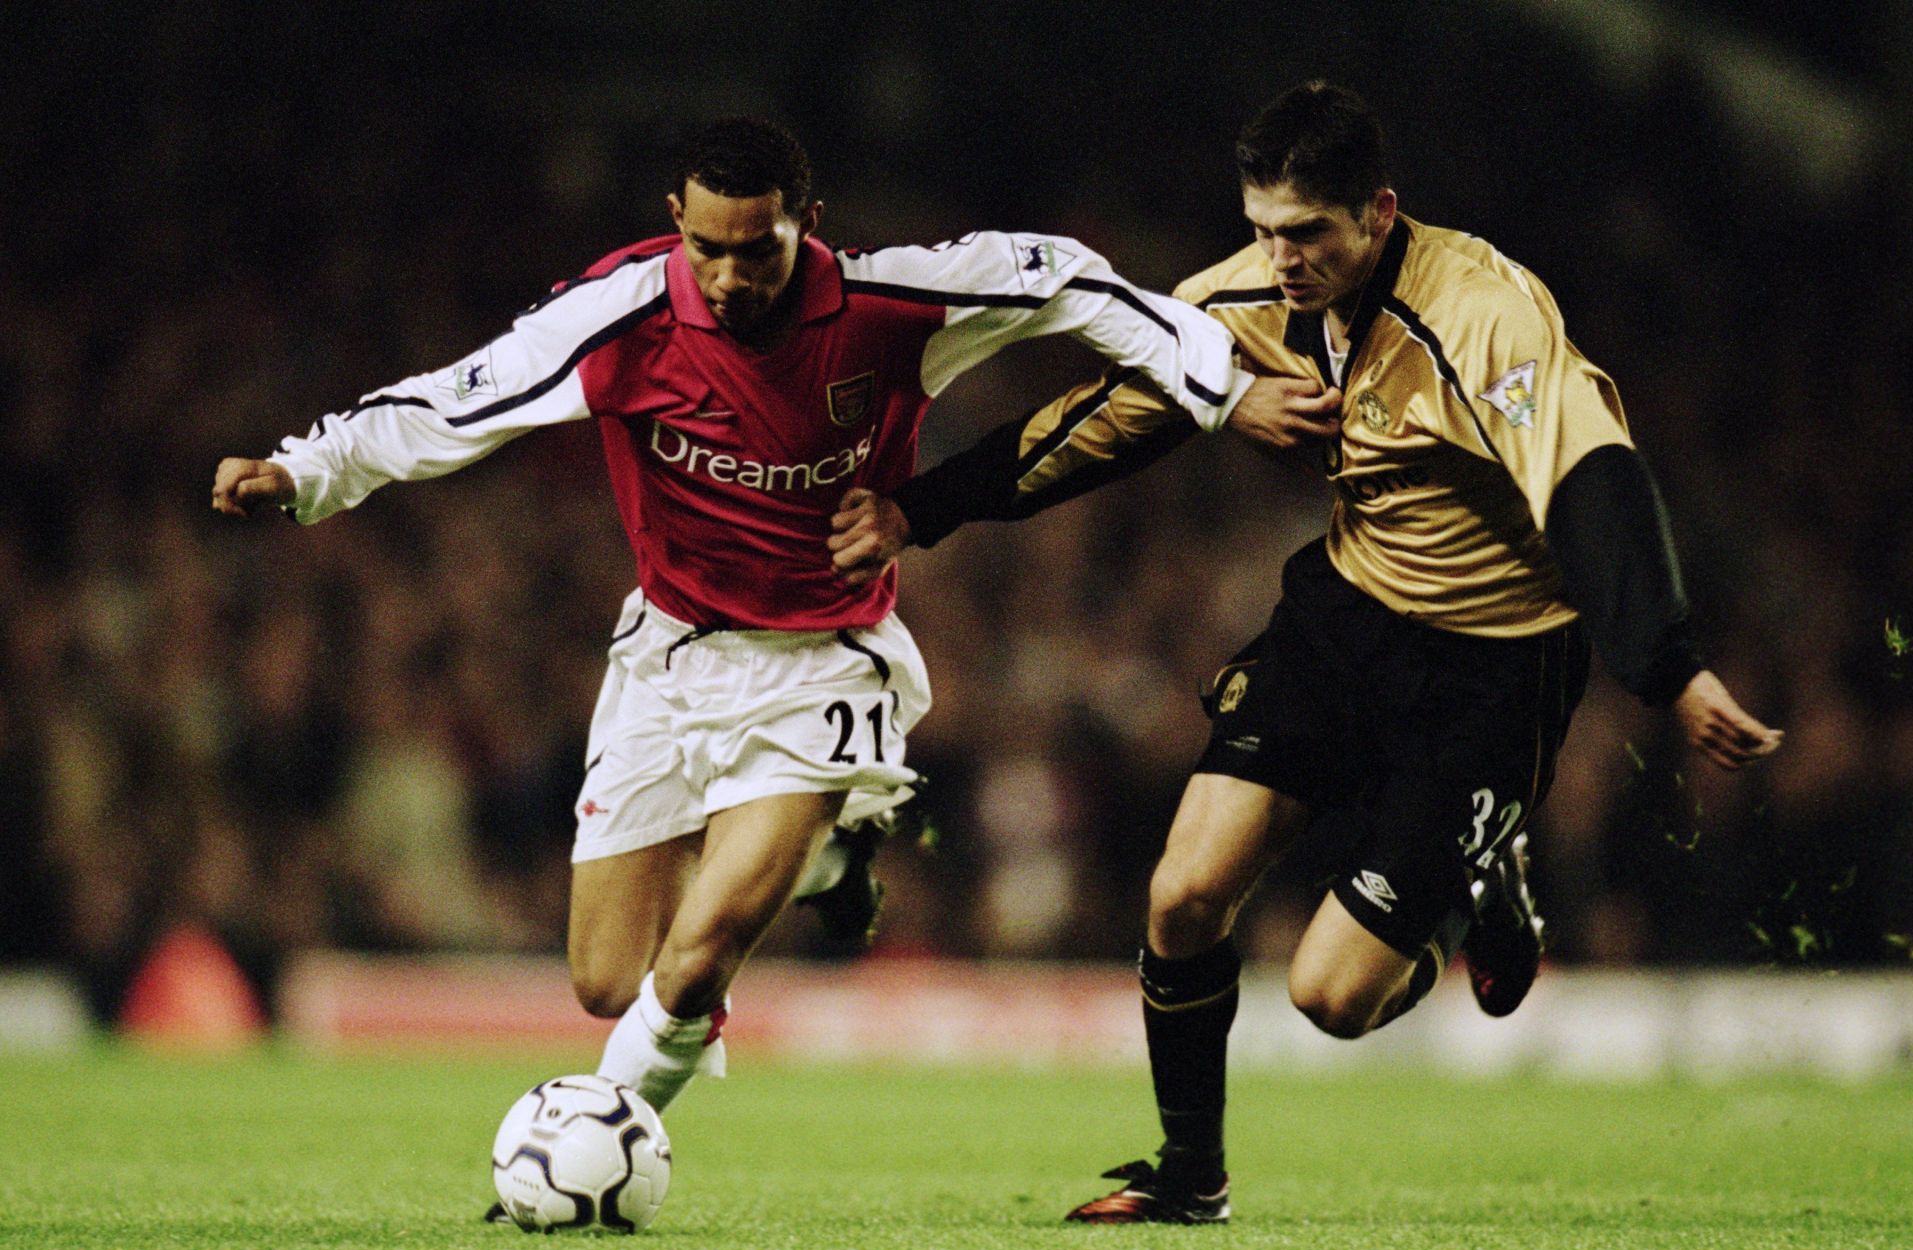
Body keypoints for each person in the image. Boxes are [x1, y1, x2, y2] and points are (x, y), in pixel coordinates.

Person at [211, 118, 1306, 1136]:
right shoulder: (622, 318)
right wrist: (302, 471)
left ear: (808, 226)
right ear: (675, 220)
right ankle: (829, 863)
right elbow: (456, 402)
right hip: (669, 655)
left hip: (823, 663)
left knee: (696, 961)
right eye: (710, 250)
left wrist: (1215, 385)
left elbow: (1063, 276)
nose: (731, 277)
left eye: (759, 250)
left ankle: (592, 1136)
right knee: (607, 978)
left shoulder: (890, 305)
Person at [828, 82, 1782, 1224]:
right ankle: (1191, 1178)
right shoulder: (1236, 299)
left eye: (1309, 232)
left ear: (1379, 213)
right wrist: (920, 509)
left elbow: (1595, 480)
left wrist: (1670, 664)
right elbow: (1106, 417)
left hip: (1491, 666)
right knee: (1181, 894)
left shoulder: (1484, 314)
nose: (1281, 257)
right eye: (1263, 227)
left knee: (1332, 996)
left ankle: (1479, 879)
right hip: (1346, 620)